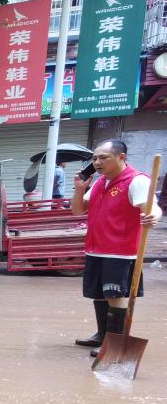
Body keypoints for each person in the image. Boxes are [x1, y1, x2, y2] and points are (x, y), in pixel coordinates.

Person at [71, 139, 161, 356]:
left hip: (120, 251)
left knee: (115, 294)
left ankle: (115, 342)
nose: (97, 162)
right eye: (94, 158)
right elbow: (77, 210)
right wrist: (80, 189)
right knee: (99, 294)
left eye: (103, 157)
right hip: (95, 248)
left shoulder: (136, 181)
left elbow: (152, 208)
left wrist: (153, 217)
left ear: (121, 157)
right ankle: (102, 335)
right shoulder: (100, 182)